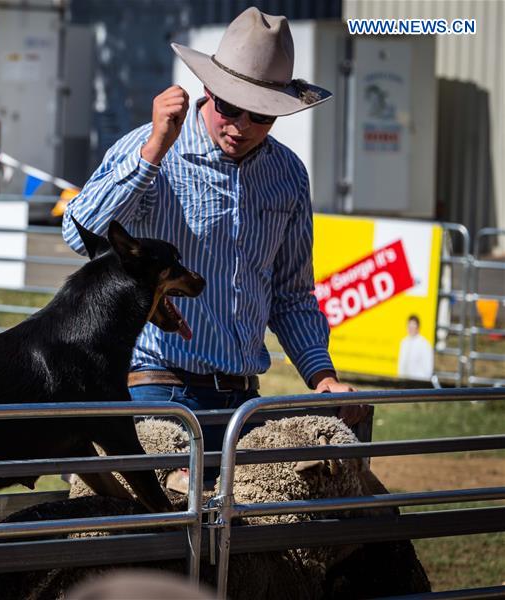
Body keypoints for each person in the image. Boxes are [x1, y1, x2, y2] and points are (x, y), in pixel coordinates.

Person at [62, 7, 367, 466]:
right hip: (158, 390)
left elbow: (290, 292)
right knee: (164, 532)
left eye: (261, 115)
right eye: (228, 107)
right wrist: (152, 153)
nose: (241, 125)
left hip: (244, 400)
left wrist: (321, 375)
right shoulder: (153, 147)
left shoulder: (287, 174)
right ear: (208, 90)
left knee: (245, 530)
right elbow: (78, 231)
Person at [398, 315, 434, 380]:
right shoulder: (404, 342)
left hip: (418, 383)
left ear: (418, 327)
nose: (410, 329)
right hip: (404, 382)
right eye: (409, 326)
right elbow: (401, 365)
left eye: (413, 327)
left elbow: (428, 370)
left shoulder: (424, 344)